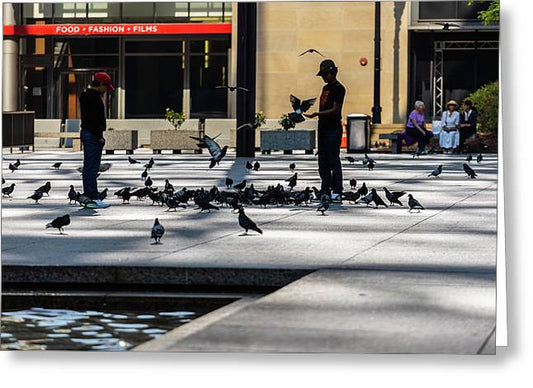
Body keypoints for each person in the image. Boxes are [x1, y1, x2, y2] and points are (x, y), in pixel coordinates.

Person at [304, 59, 346, 201]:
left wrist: (318, 114)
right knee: (323, 161)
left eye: (325, 74)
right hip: (323, 127)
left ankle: (337, 190)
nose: (323, 77)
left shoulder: (338, 88)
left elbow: (336, 109)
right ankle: (325, 189)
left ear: (332, 73)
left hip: (333, 128)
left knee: (333, 159)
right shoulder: (325, 88)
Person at [79, 72, 114, 209]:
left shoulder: (86, 95)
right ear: (100, 84)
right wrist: (99, 136)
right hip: (92, 134)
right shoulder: (93, 97)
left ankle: (91, 195)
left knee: (90, 166)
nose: (106, 90)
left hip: (88, 133)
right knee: (92, 166)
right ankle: (92, 196)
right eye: (106, 87)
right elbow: (93, 119)